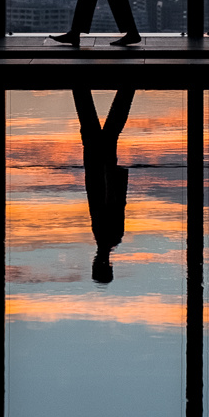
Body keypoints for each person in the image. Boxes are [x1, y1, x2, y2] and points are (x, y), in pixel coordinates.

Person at [72, 87, 135, 283]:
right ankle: (81, 87)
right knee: (97, 128)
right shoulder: (107, 237)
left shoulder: (109, 238)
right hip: (98, 169)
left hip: (100, 170)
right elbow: (111, 201)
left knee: (109, 128)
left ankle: (127, 89)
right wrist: (108, 171)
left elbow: (116, 202)